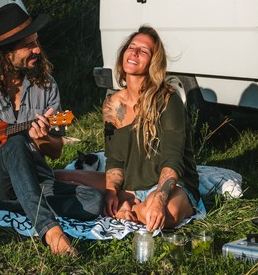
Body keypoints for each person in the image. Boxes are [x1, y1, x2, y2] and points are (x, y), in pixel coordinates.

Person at [0, 3, 103, 256]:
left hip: (36, 176)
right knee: (14, 142)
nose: (37, 50)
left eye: (37, 42)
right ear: (4, 53)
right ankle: (52, 232)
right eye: (28, 45)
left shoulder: (46, 84)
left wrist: (43, 137)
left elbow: (55, 152)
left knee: (93, 200)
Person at [56, 25, 203, 232]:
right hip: (130, 186)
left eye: (143, 51)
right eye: (131, 47)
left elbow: (173, 160)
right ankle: (130, 206)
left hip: (167, 187)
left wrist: (159, 199)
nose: (134, 53)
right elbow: (114, 160)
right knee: (59, 177)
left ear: (153, 62)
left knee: (167, 213)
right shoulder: (111, 105)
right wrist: (111, 192)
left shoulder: (167, 100)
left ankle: (132, 211)